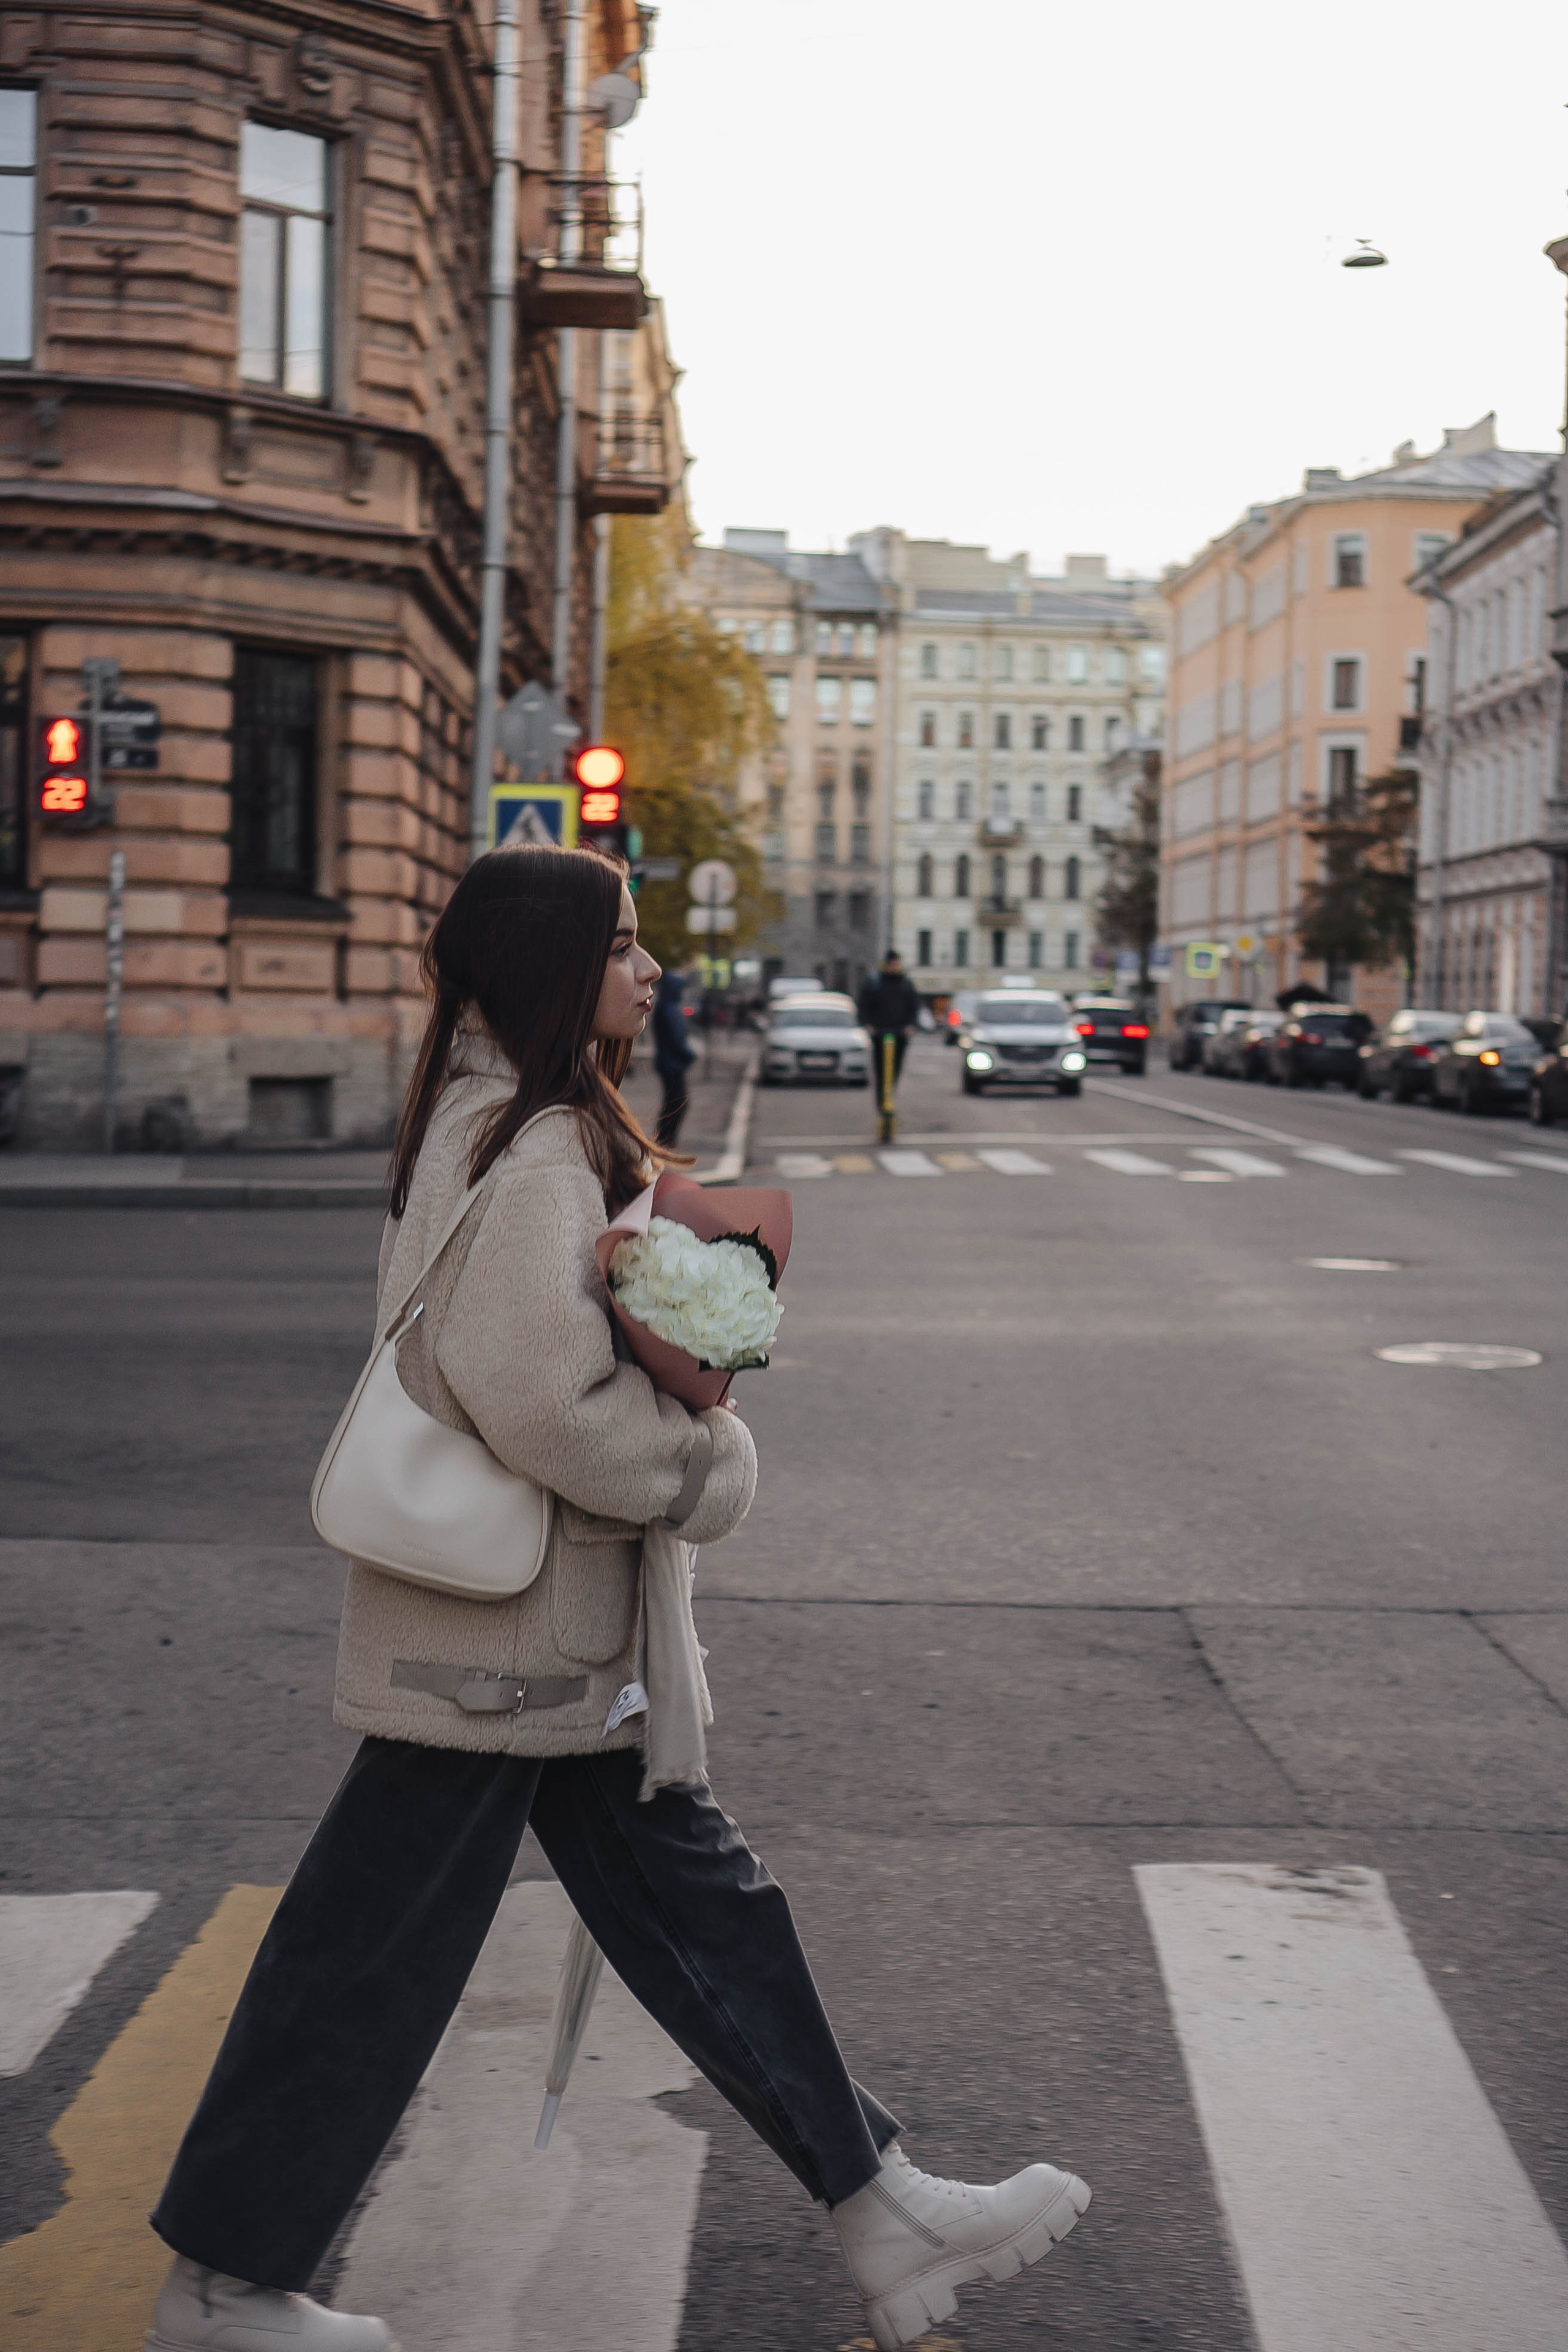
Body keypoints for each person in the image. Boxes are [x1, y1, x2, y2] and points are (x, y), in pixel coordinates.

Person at [143, 846, 1089, 2352]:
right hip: (505, 1643)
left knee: (699, 1911)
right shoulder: (527, 1148)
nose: (648, 971)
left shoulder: (497, 1119)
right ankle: (223, 2287)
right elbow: (538, 1397)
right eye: (621, 944)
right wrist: (707, 1460)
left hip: (545, 1638)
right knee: (369, 1953)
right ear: (548, 963)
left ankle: (875, 2201)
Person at [859, 951, 922, 1117]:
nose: (894, 967)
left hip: (900, 1035)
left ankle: (890, 1099)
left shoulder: (906, 984)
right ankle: (882, 1104)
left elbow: (914, 1007)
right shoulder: (875, 983)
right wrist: (868, 1025)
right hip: (879, 1034)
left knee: (895, 1070)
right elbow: (864, 1006)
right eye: (891, 964)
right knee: (881, 1071)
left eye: (896, 964)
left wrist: (910, 1026)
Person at [651, 962, 696, 1147]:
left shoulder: (666, 1007)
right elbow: (676, 1038)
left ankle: (665, 1138)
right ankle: (665, 1139)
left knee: (674, 1102)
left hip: (669, 1061)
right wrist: (689, 1055)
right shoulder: (669, 1009)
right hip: (672, 1063)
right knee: (677, 1102)